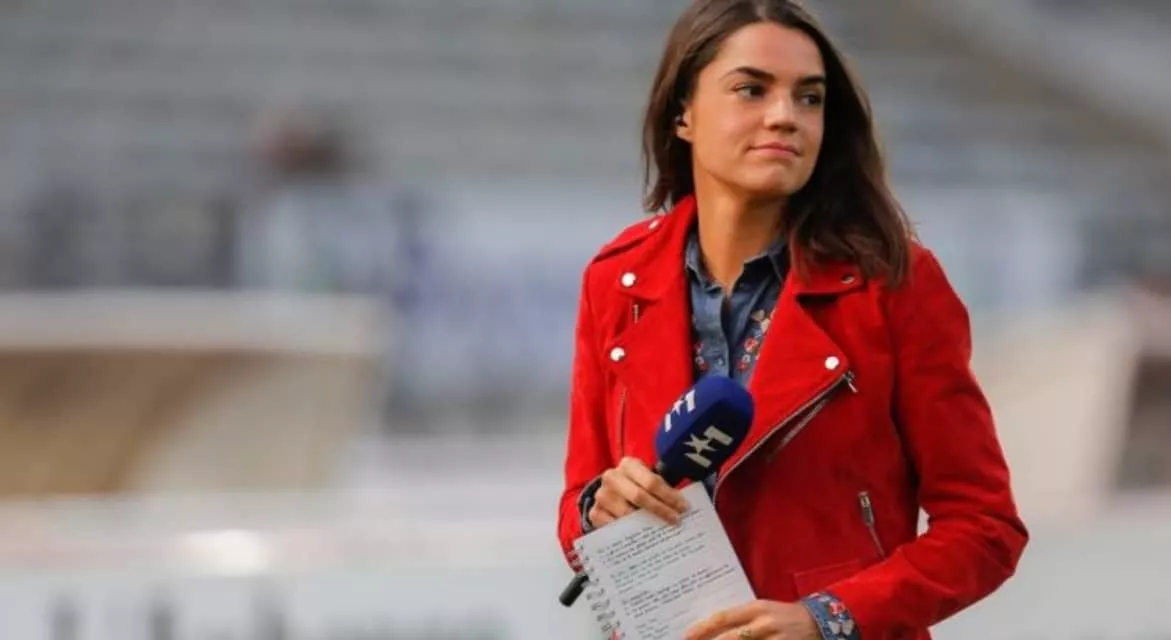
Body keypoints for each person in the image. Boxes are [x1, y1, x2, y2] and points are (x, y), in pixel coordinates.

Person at [555, 1, 1028, 639]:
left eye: (809, 98)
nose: (785, 115)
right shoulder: (616, 280)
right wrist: (598, 507)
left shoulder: (895, 284)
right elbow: (578, 508)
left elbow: (985, 527)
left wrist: (826, 619)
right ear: (683, 113)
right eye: (751, 89)